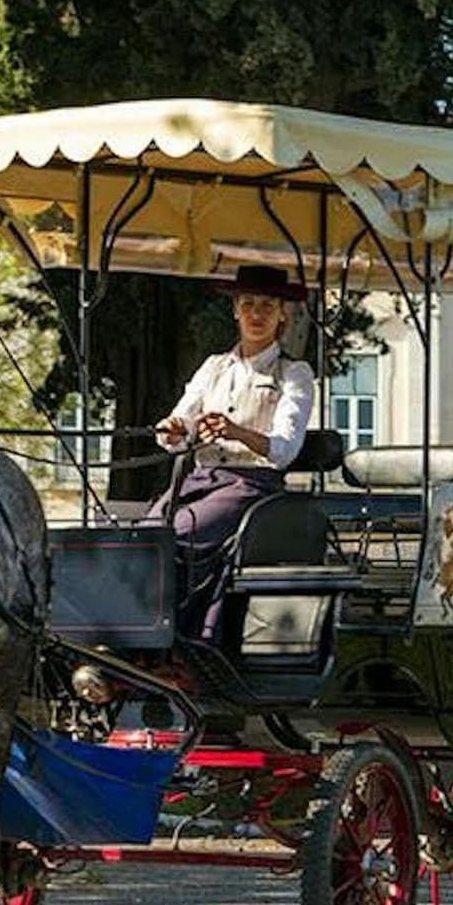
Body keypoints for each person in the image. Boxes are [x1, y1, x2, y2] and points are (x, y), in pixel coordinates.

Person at [149, 264, 315, 641]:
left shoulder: (294, 374)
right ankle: (139, 642)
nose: (257, 315)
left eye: (268, 307)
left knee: (178, 536)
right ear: (235, 310)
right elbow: (180, 421)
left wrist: (237, 432)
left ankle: (182, 642)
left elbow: (285, 450)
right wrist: (174, 429)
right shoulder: (213, 367)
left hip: (253, 486)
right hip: (198, 481)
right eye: (250, 305)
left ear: (282, 314)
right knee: (147, 536)